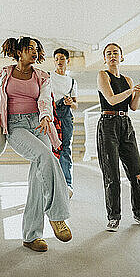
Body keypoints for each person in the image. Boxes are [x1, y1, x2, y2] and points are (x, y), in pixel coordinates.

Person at [0, 37, 72, 252]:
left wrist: (45, 116)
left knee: (38, 180)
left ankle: (31, 236)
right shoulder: (5, 73)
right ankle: (57, 215)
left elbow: (45, 99)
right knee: (45, 157)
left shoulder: (42, 75)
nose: (34, 51)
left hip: (39, 124)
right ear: (19, 51)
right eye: (29, 48)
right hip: (16, 126)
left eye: (36, 49)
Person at [96, 43, 140, 232]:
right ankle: (114, 217)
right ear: (104, 58)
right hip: (108, 124)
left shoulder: (128, 80)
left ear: (122, 57)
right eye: (108, 53)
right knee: (112, 174)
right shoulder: (103, 75)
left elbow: (133, 107)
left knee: (138, 173)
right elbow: (111, 100)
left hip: (125, 124)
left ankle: (139, 211)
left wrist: (137, 92)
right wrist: (131, 90)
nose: (112, 56)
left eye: (115, 53)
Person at [51, 48, 78, 195]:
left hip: (66, 117)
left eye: (62, 58)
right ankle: (52, 184)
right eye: (56, 59)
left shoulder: (72, 82)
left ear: (68, 61)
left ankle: (67, 185)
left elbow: (76, 104)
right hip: (52, 116)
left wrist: (70, 103)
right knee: (50, 149)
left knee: (65, 150)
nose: (59, 62)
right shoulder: (48, 78)